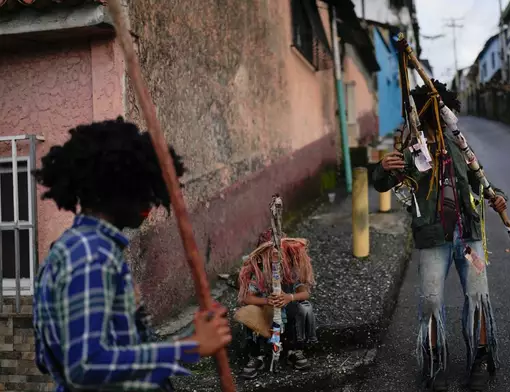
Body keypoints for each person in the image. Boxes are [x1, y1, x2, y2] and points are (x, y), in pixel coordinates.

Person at [32, 117, 232, 391]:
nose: (150, 202)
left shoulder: (71, 249)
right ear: (110, 187)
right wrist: (188, 347)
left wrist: (195, 338)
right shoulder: (91, 255)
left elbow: (50, 358)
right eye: (139, 189)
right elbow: (85, 366)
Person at [372, 80, 507, 392]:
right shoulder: (411, 152)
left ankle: (481, 358)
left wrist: (498, 196)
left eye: (439, 112)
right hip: (434, 239)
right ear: (420, 115)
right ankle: (434, 363)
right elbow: (383, 181)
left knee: (477, 297)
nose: (435, 118)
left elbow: (482, 181)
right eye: (428, 113)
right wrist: (383, 168)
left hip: (468, 236)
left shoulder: (460, 147)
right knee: (432, 302)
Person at [237, 229, 317, 379]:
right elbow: (246, 298)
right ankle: (256, 356)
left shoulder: (292, 268)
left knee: (303, 308)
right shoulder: (257, 270)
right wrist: (266, 301)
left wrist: (289, 297)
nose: (275, 257)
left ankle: (294, 350)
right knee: (248, 311)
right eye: (270, 253)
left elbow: (305, 292)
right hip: (266, 313)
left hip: (288, 313)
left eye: (278, 253)